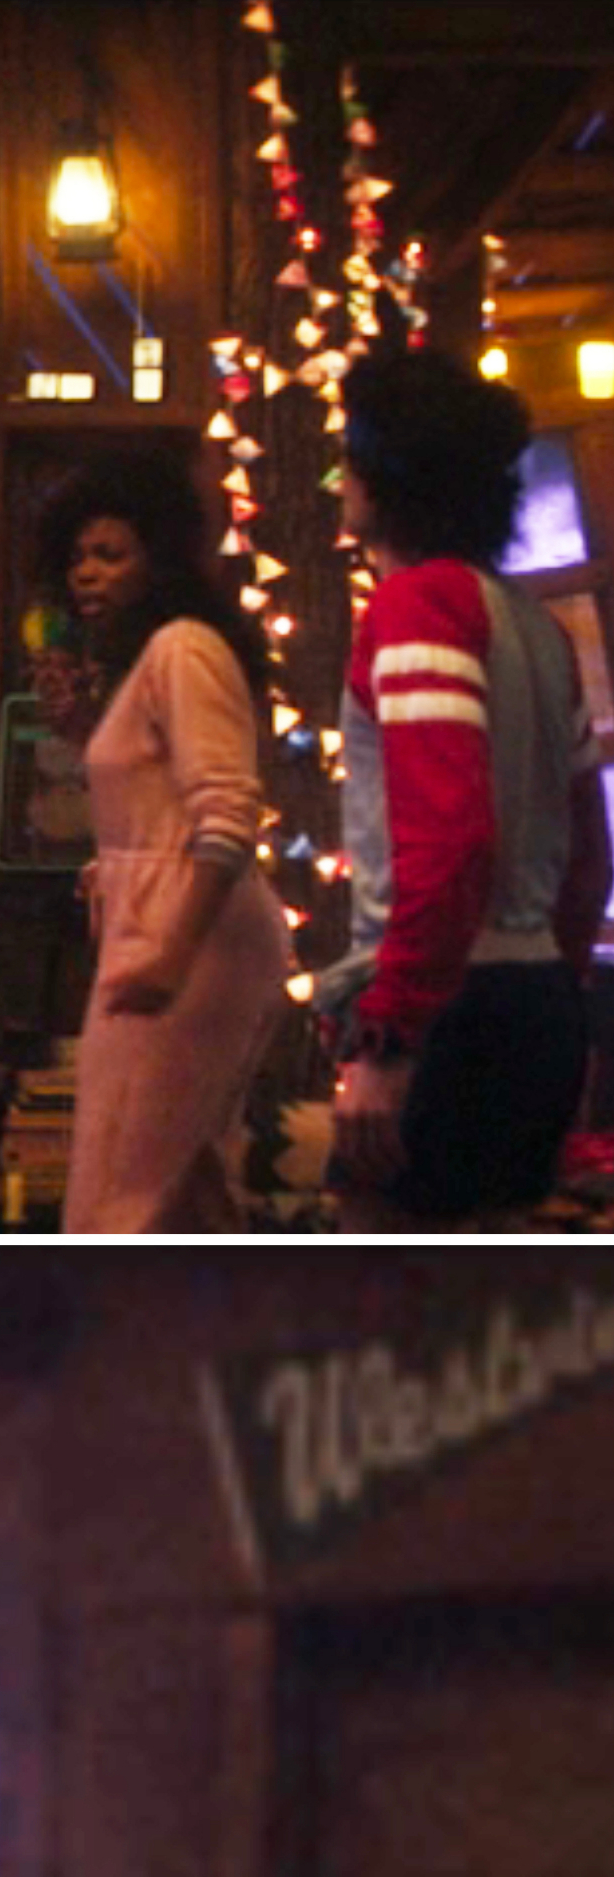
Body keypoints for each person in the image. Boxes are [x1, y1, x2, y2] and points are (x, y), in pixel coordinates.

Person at [320, 344, 612, 1227]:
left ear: (382, 477)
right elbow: (587, 854)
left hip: (450, 1010)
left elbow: (451, 843)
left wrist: (390, 1036)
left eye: (350, 453)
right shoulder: (533, 626)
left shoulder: (420, 607)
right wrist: (557, 985)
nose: (340, 474)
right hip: (535, 1000)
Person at [32, 453, 293, 1231]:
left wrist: (170, 954)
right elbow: (156, 804)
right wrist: (84, 730)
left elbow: (225, 816)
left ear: (161, 560)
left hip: (190, 934)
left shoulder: (183, 647)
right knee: (184, 1185)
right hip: (162, 920)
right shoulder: (155, 658)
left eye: (110, 555)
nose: (87, 573)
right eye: (77, 557)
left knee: (118, 1192)